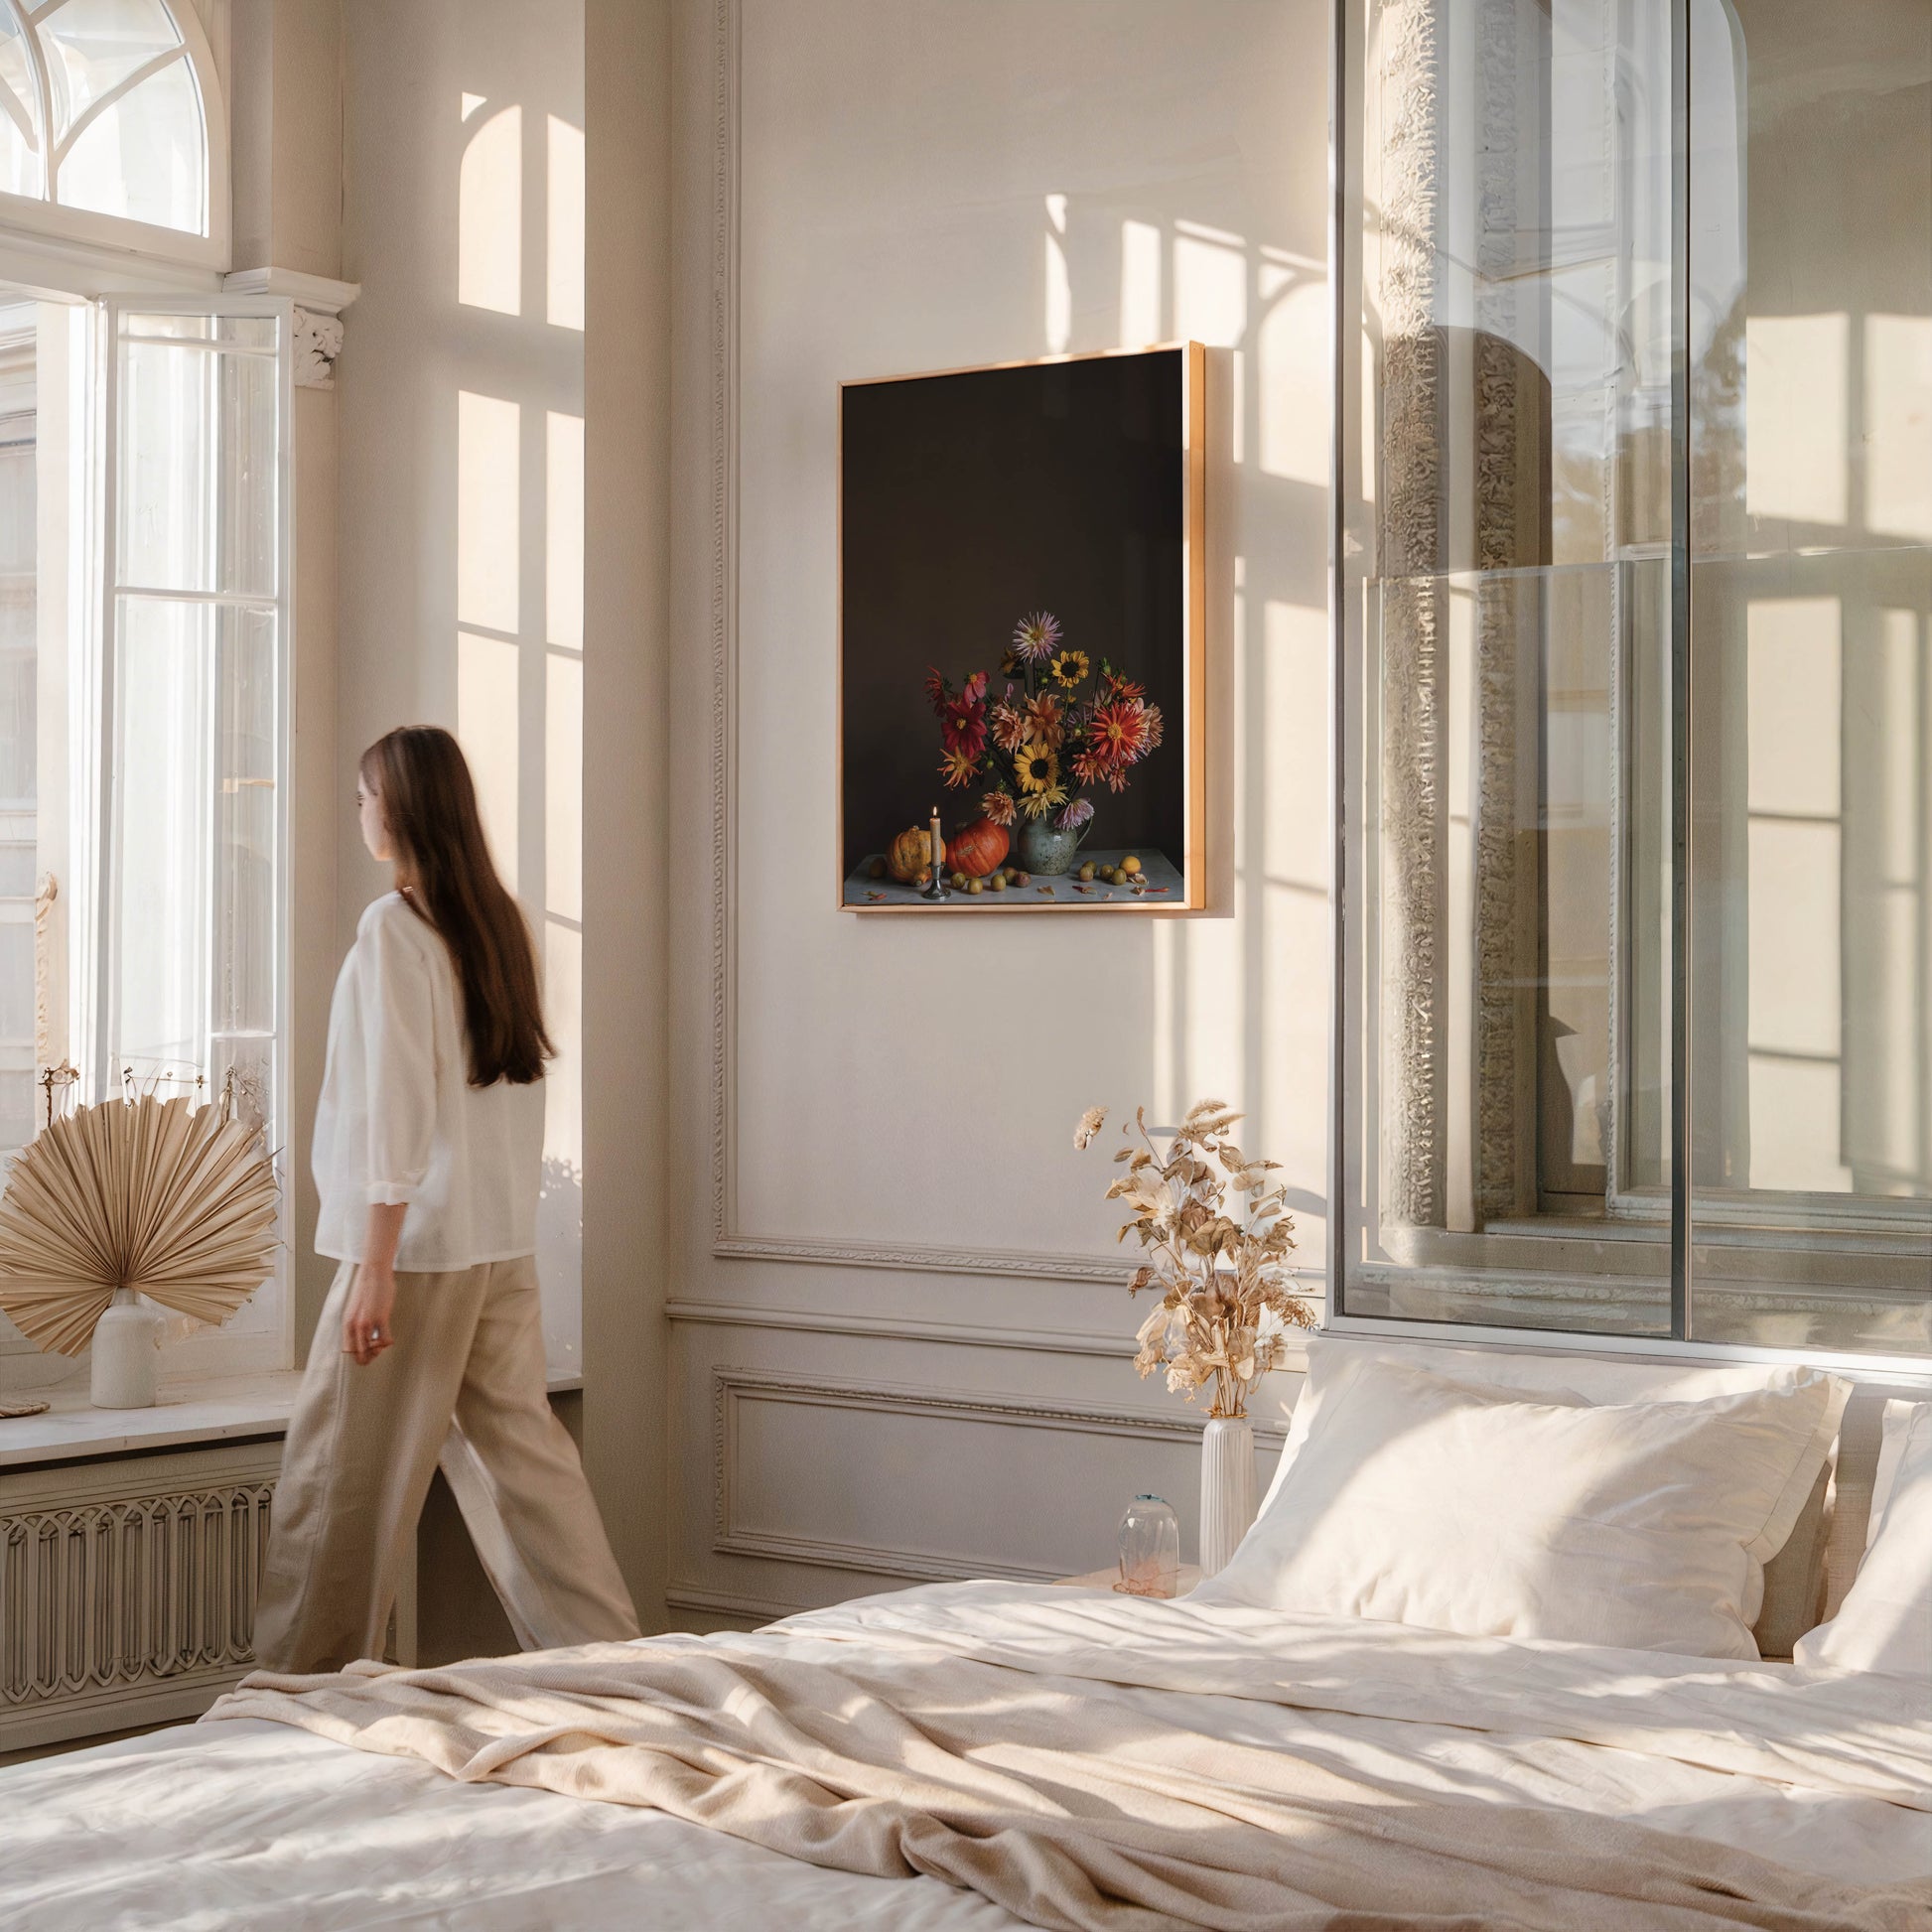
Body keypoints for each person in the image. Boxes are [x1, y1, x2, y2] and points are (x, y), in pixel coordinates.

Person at [252, 725, 637, 1672]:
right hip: (499, 1244)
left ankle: (289, 1702)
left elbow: (394, 1109)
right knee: (530, 1479)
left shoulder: (395, 931)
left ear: (404, 807)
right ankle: (624, 1675)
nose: (359, 812)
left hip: (412, 1253)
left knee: (336, 1487)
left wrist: (374, 1267)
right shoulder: (500, 923)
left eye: (365, 795)